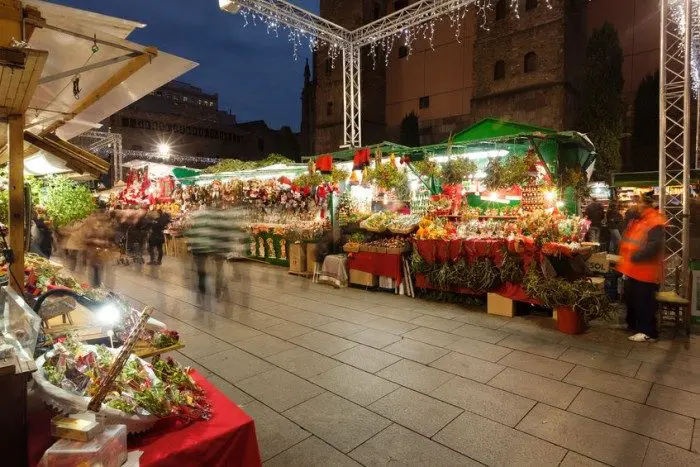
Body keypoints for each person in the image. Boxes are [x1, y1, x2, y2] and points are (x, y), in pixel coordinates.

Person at [617, 193, 665, 342]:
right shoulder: (642, 220)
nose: (636, 205)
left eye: (639, 202)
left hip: (645, 271)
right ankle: (635, 325)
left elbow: (654, 246)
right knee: (633, 299)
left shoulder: (654, 221)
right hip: (634, 270)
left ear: (646, 204)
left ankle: (647, 332)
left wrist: (635, 257)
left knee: (644, 302)